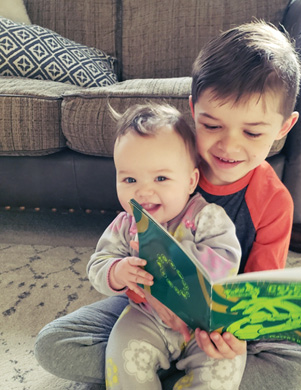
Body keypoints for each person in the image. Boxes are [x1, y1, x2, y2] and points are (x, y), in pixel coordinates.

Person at [35, 21, 301, 389]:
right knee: (54, 343)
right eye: (212, 125)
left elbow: (258, 290)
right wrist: (134, 287)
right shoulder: (164, 172)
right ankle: (155, 367)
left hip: (219, 324)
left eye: (252, 132)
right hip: (145, 311)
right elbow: (121, 249)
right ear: (193, 111)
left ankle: (158, 371)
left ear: (284, 128)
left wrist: (236, 336)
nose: (229, 147)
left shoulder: (273, 202)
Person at [88, 103, 244, 389]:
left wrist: (175, 256)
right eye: (130, 179)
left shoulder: (206, 217)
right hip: (146, 316)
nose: (144, 191)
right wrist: (117, 272)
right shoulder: (125, 224)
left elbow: (227, 261)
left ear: (190, 180)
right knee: (121, 352)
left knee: (226, 364)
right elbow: (98, 264)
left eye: (161, 178)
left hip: (205, 324)